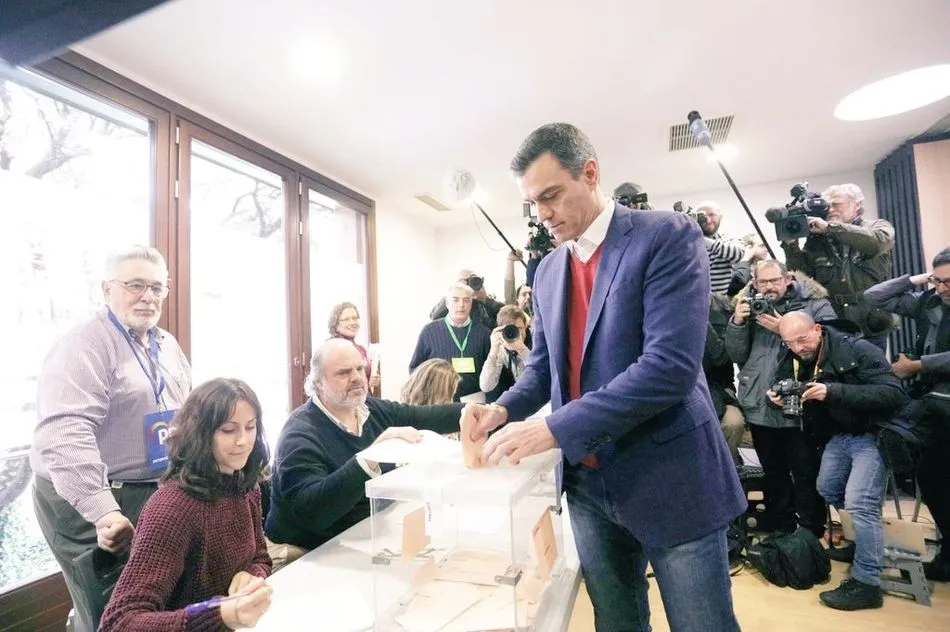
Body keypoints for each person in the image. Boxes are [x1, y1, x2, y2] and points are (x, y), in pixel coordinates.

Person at [467, 123, 744, 632]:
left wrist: (553, 428)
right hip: (589, 486)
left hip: (670, 475)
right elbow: (543, 369)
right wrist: (502, 408)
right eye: (532, 203)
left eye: (551, 195)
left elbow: (669, 368)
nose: (542, 214)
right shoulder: (548, 270)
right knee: (616, 623)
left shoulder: (666, 235)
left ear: (590, 173)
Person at [31, 245, 192, 632]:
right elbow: (66, 434)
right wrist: (103, 510)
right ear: (106, 290)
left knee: (155, 596)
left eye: (157, 287)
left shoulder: (165, 343)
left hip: (147, 486)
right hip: (86, 497)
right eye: (135, 285)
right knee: (114, 609)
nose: (148, 296)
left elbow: (186, 411)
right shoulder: (84, 344)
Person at [265, 339, 465, 561]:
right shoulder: (300, 434)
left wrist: (483, 412)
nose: (356, 378)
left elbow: (426, 416)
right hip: (304, 551)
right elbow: (314, 512)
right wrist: (368, 459)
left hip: (362, 538)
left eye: (360, 368)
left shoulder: (370, 409)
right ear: (319, 382)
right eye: (343, 373)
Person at [99, 378, 274, 630]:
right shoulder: (173, 508)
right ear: (200, 433)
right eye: (228, 430)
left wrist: (252, 575)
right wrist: (217, 615)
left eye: (251, 427)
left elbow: (260, 557)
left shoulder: (245, 485)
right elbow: (118, 623)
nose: (243, 441)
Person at [769, 312, 905, 610]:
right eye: (790, 343)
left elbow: (894, 393)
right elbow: (783, 384)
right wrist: (778, 397)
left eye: (802, 339)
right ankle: (864, 542)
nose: (798, 348)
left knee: (860, 503)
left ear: (817, 329)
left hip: (873, 434)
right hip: (838, 435)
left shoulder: (858, 349)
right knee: (828, 489)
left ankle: (867, 583)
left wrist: (832, 391)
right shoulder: (796, 356)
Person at [725, 261, 837, 537]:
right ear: (754, 283)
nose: (769, 287)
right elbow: (736, 355)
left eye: (775, 280)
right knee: (772, 470)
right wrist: (737, 322)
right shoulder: (748, 306)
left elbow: (832, 345)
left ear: (788, 278)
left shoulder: (814, 303)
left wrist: (783, 329)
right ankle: (780, 526)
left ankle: (810, 530)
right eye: (763, 282)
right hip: (759, 399)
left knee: (805, 470)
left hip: (801, 402)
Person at [864, 246, 950, 581]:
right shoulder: (930, 301)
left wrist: (918, 365)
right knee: (933, 482)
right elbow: (873, 297)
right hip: (931, 403)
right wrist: (917, 279)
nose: (942, 288)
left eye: (948, 281)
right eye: (938, 280)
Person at [780, 183, 896, 349]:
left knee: (872, 364)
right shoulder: (818, 239)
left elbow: (876, 242)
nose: (830, 210)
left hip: (871, 322)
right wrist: (791, 245)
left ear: (857, 204)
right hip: (834, 322)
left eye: (836, 204)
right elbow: (802, 275)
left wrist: (830, 228)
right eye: (827, 206)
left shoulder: (877, 227)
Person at [410, 283, 492, 400]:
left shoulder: (484, 333)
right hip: (438, 400)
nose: (461, 305)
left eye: (466, 300)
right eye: (455, 300)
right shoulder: (429, 331)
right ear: (447, 304)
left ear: (471, 304)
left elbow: (492, 372)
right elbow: (415, 369)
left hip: (474, 400)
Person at [328, 301, 380, 391]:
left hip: (362, 396)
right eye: (346, 319)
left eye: (355, 318)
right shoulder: (331, 348)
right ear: (336, 324)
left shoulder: (361, 349)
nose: (352, 322)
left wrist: (373, 380)